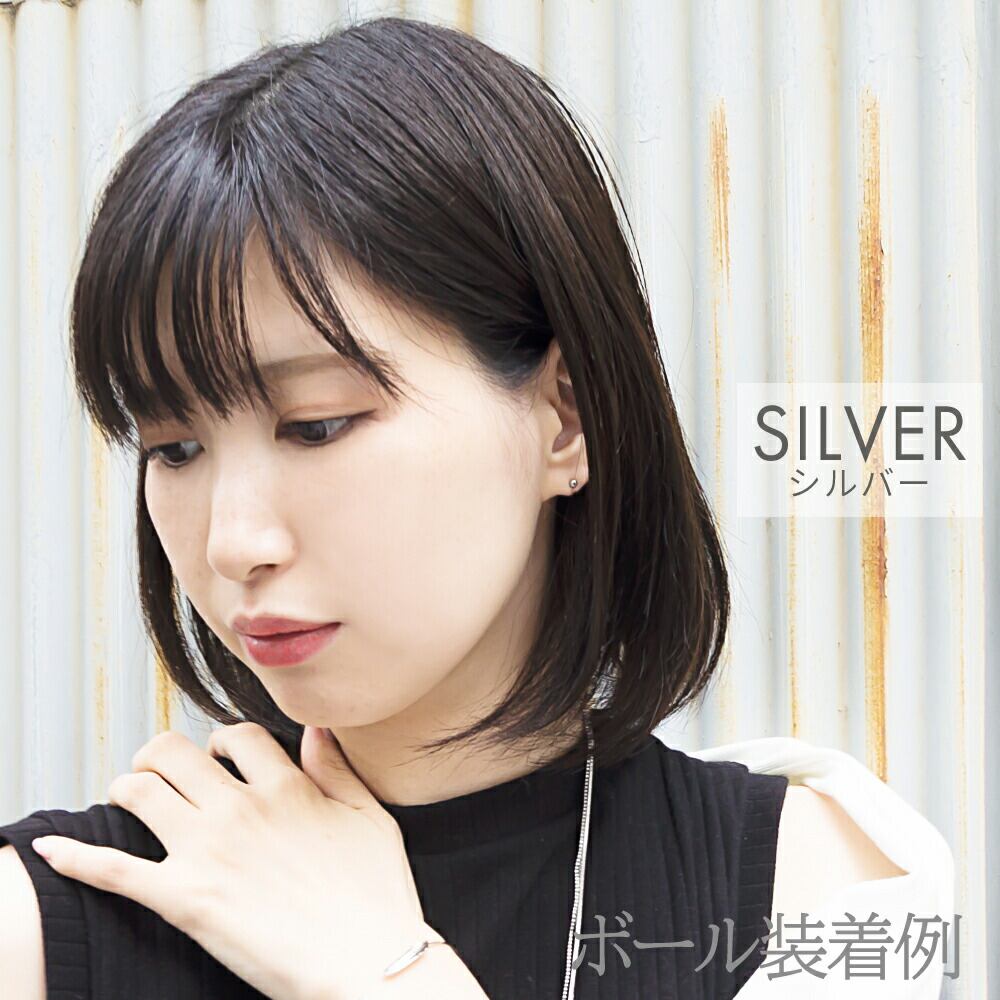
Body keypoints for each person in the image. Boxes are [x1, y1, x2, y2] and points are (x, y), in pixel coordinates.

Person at [0, 16, 952, 1000]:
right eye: (174, 448)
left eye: (316, 425)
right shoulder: (35, 925)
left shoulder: (818, 891)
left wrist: (387, 976)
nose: (233, 542)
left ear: (564, 418)